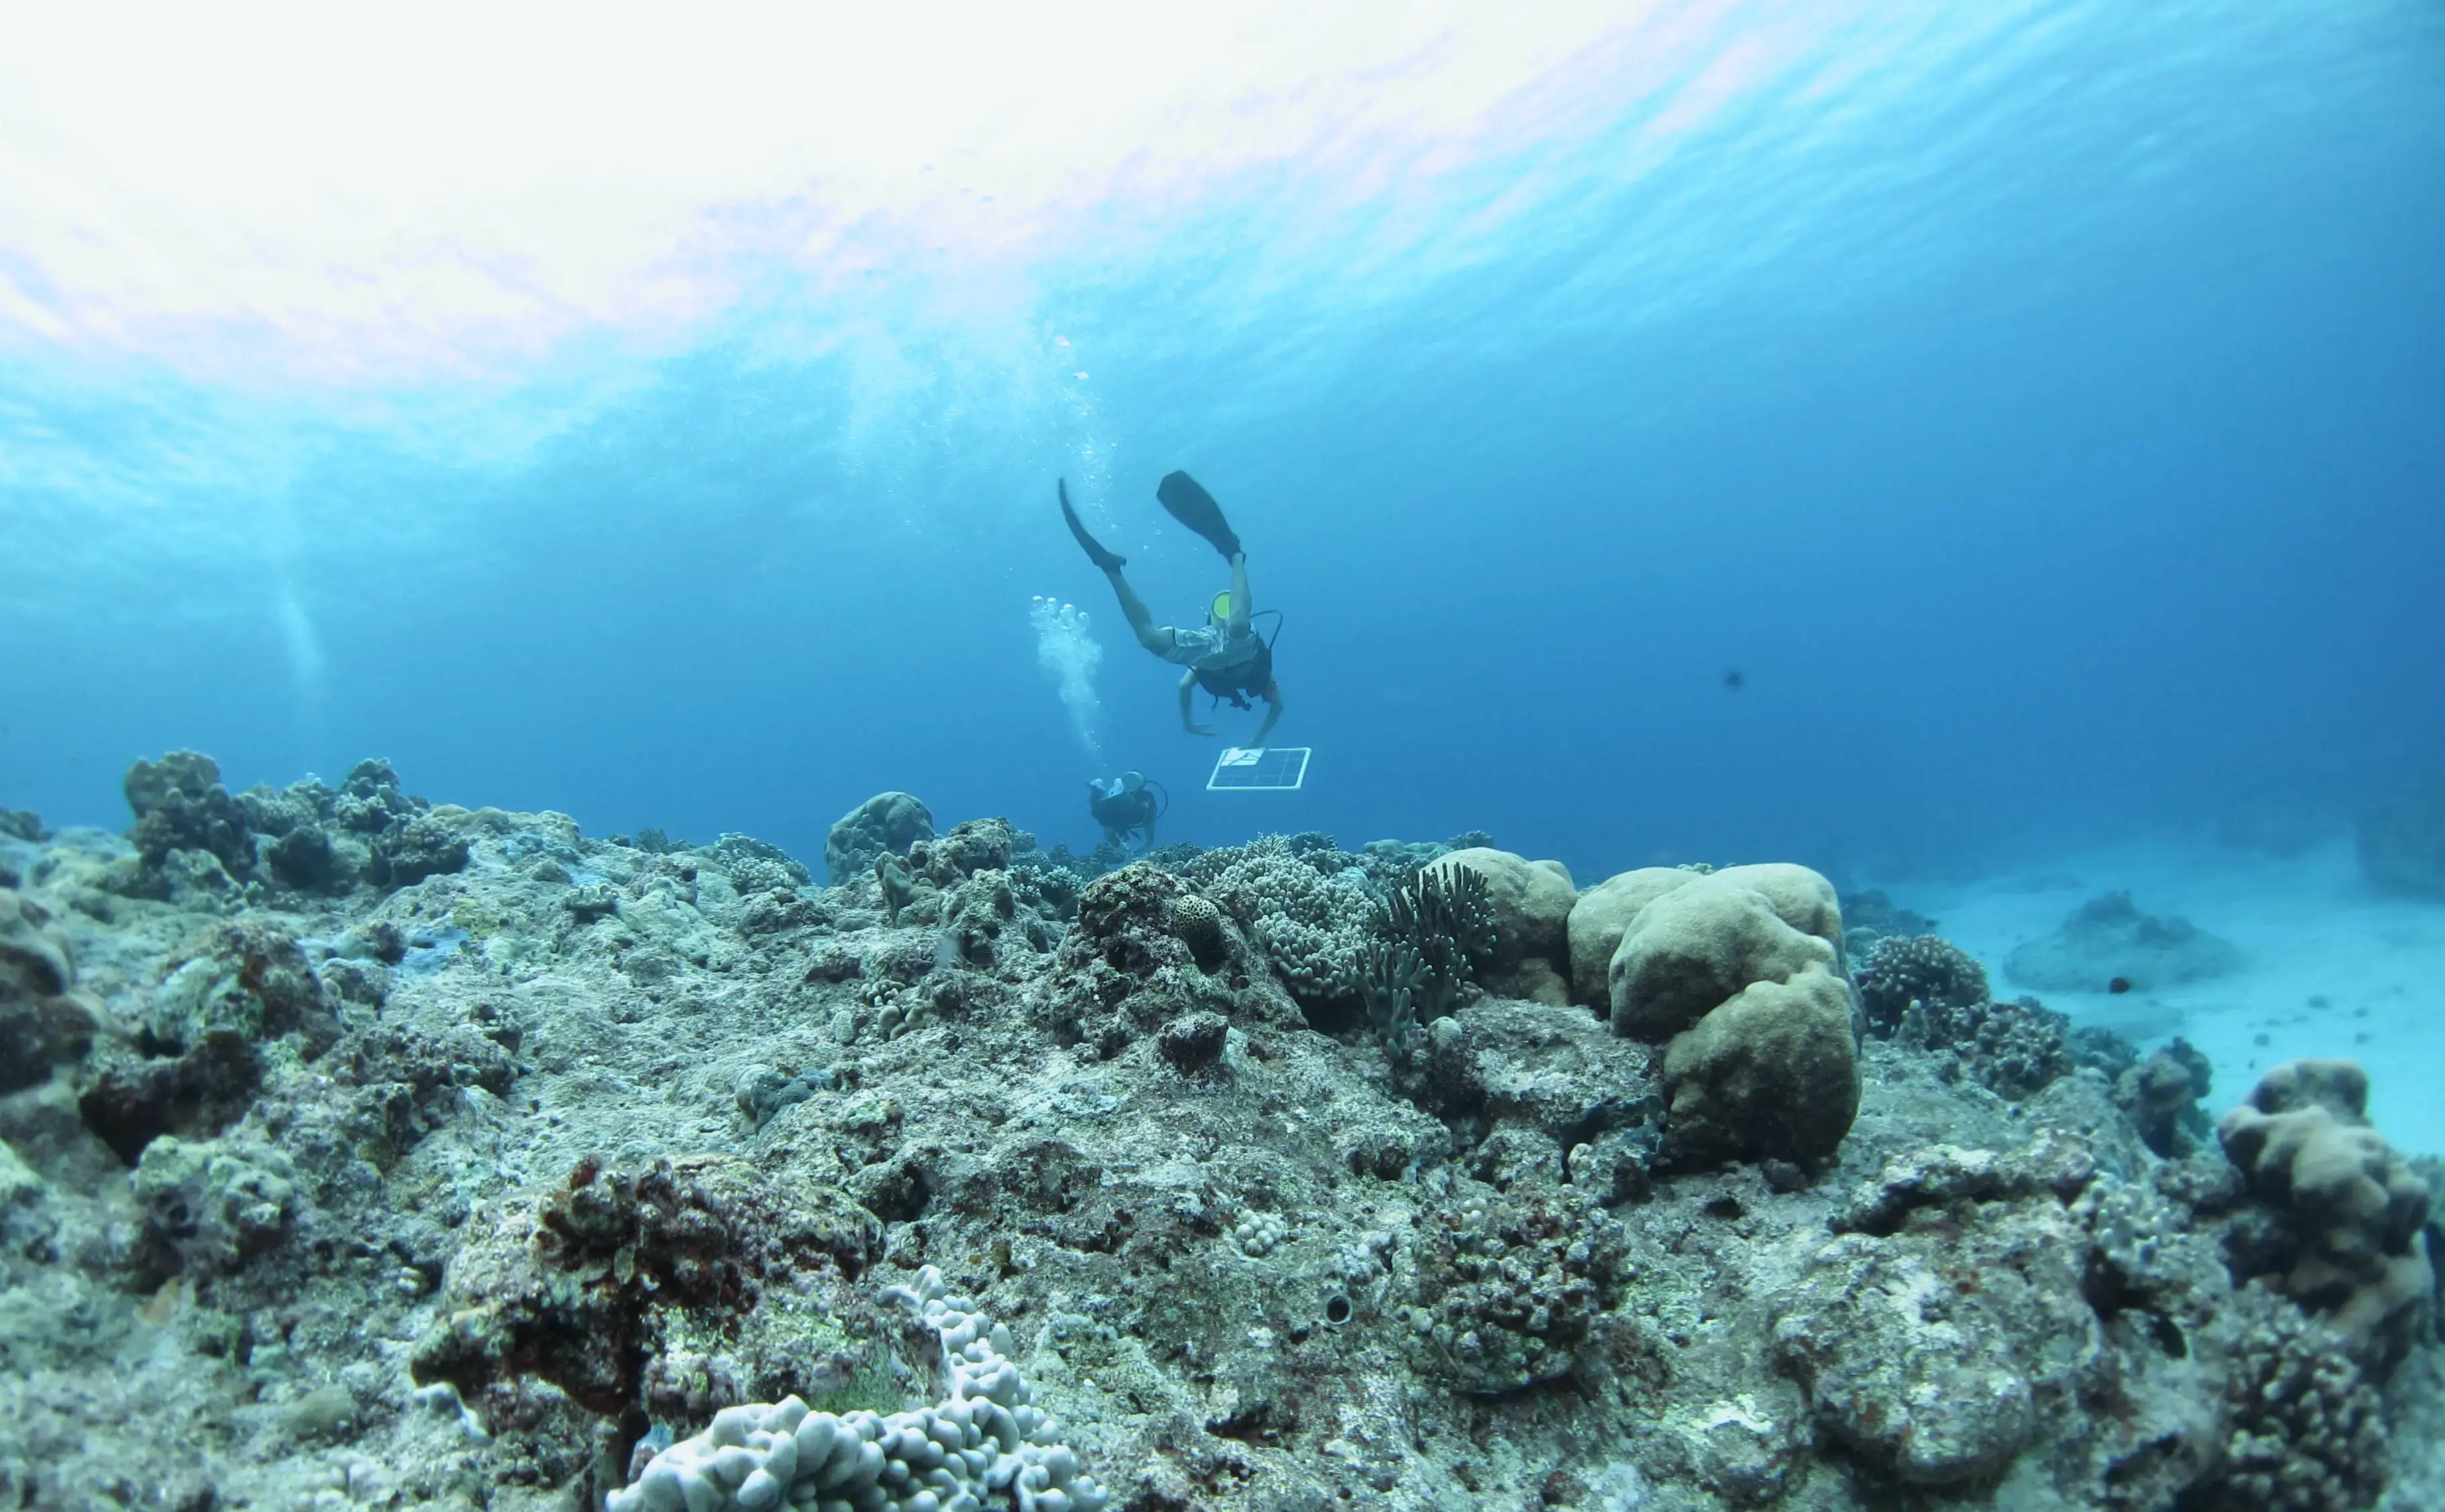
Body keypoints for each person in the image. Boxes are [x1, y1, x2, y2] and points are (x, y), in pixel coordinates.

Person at [1059, 471, 1285, 742]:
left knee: (1149, 640)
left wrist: (1249, 740)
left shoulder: (1241, 676)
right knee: (1236, 625)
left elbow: (1186, 688)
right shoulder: (1251, 665)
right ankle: (1234, 554)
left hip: (1212, 651)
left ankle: (1110, 569)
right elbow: (1275, 706)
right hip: (1230, 645)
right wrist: (1189, 723)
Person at [1086, 771, 1159, 851]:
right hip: (1112, 811)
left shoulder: (1144, 811)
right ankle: (1097, 788)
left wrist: (1121, 847)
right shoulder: (1143, 812)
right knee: (1098, 811)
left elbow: (1109, 835)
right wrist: (1122, 847)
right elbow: (1149, 840)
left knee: (1098, 810)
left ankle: (1097, 788)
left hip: (1113, 811)